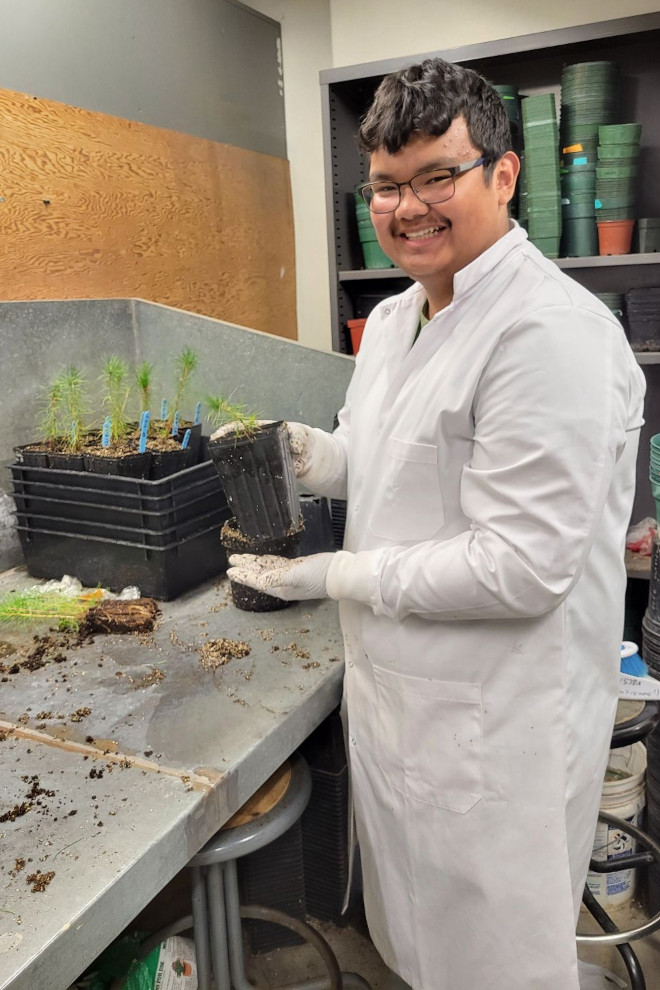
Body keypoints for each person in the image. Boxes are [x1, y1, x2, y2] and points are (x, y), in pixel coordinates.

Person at [224, 58, 646, 990]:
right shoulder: (394, 317)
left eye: (436, 176)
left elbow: (519, 567)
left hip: (499, 726)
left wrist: (324, 576)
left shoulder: (550, 334)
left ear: (503, 173)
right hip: (406, 706)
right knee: (419, 942)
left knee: (496, 961)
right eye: (386, 184)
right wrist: (307, 452)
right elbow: (383, 457)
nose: (407, 206)